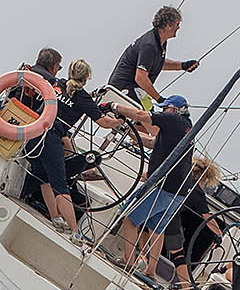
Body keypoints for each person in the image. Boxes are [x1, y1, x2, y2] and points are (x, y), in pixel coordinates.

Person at [30, 59, 153, 237]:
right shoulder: (82, 97)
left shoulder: (58, 84)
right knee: (59, 184)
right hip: (53, 137)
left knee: (44, 178)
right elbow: (103, 122)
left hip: (35, 132)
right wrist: (119, 121)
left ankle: (56, 217)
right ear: (86, 78)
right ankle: (74, 231)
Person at [118, 96, 194, 278]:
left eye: (164, 108)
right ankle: (150, 270)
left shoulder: (172, 119)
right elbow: (152, 143)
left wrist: (113, 106)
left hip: (162, 186)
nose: (162, 111)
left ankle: (128, 262)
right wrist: (128, 130)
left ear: (173, 109)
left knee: (129, 219)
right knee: (156, 229)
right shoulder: (186, 127)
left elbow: (140, 114)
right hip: (179, 193)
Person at [109, 5, 200, 109]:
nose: (179, 27)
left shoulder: (160, 42)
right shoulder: (149, 45)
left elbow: (156, 63)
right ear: (168, 25)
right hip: (123, 91)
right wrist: (160, 99)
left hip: (137, 91)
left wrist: (182, 66)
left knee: (154, 121)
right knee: (148, 121)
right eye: (177, 24)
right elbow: (140, 78)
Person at [168, 155, 226, 290]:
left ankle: (142, 261)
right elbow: (207, 216)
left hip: (163, 212)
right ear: (206, 178)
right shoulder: (198, 193)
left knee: (141, 228)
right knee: (178, 255)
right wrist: (219, 234)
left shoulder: (182, 180)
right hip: (172, 220)